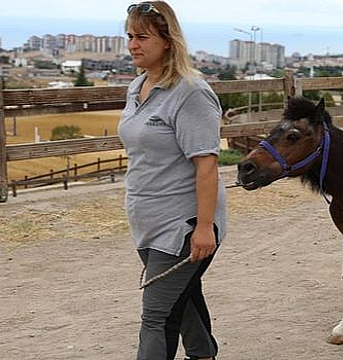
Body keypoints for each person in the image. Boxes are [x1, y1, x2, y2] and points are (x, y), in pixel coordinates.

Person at [118, 2, 226, 359]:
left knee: (157, 316)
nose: (133, 44)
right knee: (183, 294)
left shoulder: (190, 93)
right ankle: (203, 354)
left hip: (182, 226)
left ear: (167, 40)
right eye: (130, 36)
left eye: (142, 36)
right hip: (147, 222)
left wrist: (204, 227)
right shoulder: (138, 86)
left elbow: (207, 165)